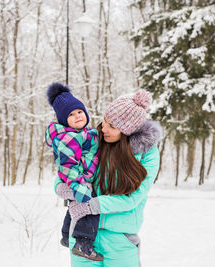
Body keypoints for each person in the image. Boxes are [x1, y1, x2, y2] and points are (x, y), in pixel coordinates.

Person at [54, 89, 162, 266]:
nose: (103, 128)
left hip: (120, 240)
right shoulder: (92, 140)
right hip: (82, 238)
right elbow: (65, 170)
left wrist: (90, 206)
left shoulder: (146, 154)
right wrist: (64, 188)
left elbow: (132, 198)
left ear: (128, 131)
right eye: (104, 121)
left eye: (112, 126)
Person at [45, 82, 104, 261]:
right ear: (64, 120)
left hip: (84, 176)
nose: (77, 116)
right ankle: (83, 243)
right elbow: (69, 166)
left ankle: (65, 235)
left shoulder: (86, 133)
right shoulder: (67, 138)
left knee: (74, 207)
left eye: (79, 112)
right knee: (88, 208)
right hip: (77, 179)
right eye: (71, 115)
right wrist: (79, 186)